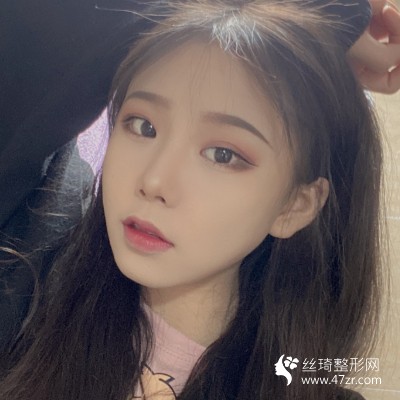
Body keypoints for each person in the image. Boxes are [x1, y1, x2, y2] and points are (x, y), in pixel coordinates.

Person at [0, 1, 385, 399]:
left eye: (223, 154)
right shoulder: (28, 282)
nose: (154, 181)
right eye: (143, 126)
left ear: (296, 205)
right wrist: (329, 9)